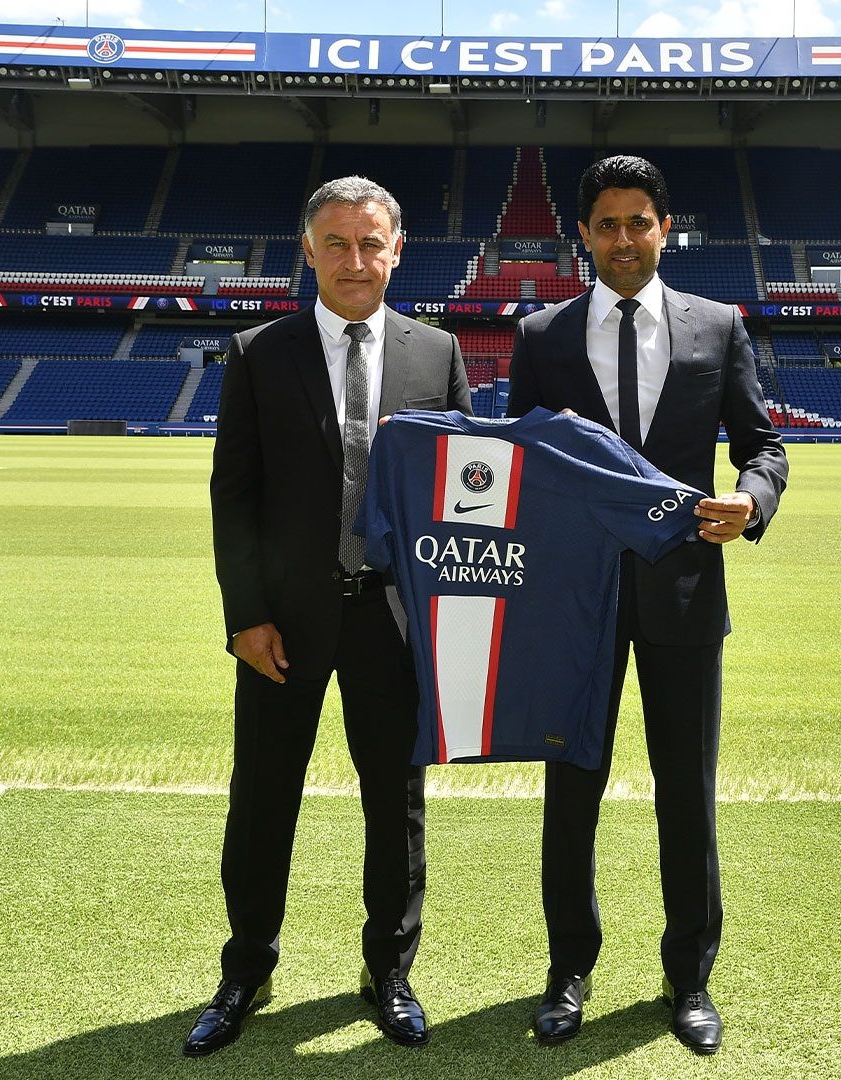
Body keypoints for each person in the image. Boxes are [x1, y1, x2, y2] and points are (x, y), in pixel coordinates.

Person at [506, 154, 788, 1056]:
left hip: (684, 593)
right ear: (582, 235)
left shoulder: (719, 325)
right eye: (607, 224)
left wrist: (751, 500)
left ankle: (688, 977)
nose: (623, 239)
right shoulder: (541, 334)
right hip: (573, 602)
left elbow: (764, 445)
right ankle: (568, 970)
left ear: (666, 228)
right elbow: (518, 465)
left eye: (639, 222)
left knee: (687, 794)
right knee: (571, 792)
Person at [187, 176, 473, 1057]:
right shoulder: (259, 352)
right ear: (308, 250)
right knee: (262, 799)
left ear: (397, 250)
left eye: (371, 243)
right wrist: (245, 615)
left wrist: (451, 620)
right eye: (338, 243)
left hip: (394, 619)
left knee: (397, 805)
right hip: (283, 624)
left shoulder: (438, 352)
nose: (356, 260)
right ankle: (247, 969)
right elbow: (234, 496)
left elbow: (461, 502)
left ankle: (389, 970)